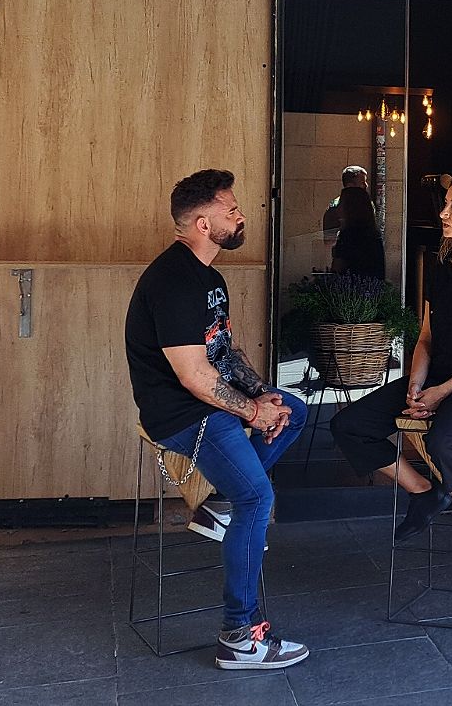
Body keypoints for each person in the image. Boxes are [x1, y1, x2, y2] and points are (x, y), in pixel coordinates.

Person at [125, 168, 310, 670]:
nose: (241, 215)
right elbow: (192, 375)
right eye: (231, 210)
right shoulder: (172, 279)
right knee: (260, 498)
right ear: (203, 223)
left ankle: (219, 505)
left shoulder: (209, 277)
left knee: (294, 411)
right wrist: (251, 411)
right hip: (180, 414)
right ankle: (240, 636)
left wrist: (264, 396)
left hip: (205, 404)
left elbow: (222, 356)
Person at [330, 175, 452, 557]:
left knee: (444, 438)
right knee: (350, 426)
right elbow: (425, 339)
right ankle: (423, 493)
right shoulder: (441, 266)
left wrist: (442, 391)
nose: (443, 212)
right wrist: (416, 386)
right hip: (440, 375)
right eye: (446, 203)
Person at [329, 185, 385, 280]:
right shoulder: (372, 234)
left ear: (350, 207)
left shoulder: (348, 235)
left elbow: (337, 269)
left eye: (341, 203)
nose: (337, 208)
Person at [323, 165, 370, 253]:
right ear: (350, 186)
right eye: (362, 182)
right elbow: (329, 241)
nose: (366, 186)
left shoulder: (367, 205)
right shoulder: (336, 207)